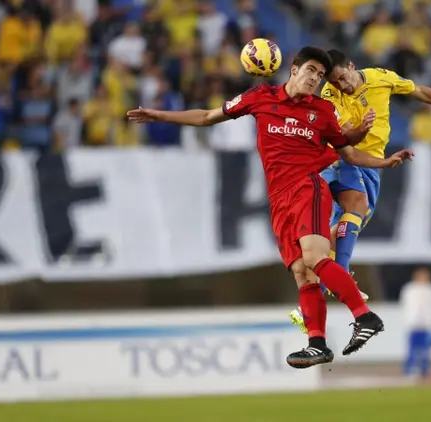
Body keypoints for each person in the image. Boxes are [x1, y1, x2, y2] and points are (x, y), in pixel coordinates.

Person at [127, 46, 413, 369]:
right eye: (311, 72)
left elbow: (348, 154)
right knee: (302, 275)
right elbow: (208, 117)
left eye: (320, 77)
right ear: (294, 70)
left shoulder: (321, 112)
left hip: (310, 187)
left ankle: (365, 316)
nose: (315, 80)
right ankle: (317, 344)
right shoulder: (260, 97)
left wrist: (383, 162)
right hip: (279, 200)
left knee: (316, 258)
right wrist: (158, 114)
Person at [289, 49, 431, 333]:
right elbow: (345, 140)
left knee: (338, 233)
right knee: (356, 204)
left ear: (352, 66)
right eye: (334, 82)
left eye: (342, 78)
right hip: (341, 160)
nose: (341, 86)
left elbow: (420, 92)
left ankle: (307, 305)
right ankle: (342, 279)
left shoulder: (381, 78)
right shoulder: (330, 95)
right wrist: (359, 128)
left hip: (369, 167)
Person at [400, 267, 431, 382]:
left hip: (426, 324)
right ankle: (409, 370)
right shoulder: (409, 289)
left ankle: (424, 371)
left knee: (425, 349)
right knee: (412, 349)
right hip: (413, 323)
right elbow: (406, 304)